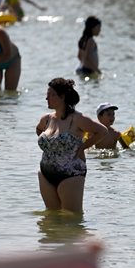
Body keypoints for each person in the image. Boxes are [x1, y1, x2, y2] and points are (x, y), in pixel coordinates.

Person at [35, 78, 108, 213]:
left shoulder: (77, 119)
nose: (47, 98)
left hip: (71, 174)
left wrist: (82, 148)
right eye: (47, 94)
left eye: (51, 95)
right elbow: (39, 130)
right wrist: (50, 145)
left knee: (72, 218)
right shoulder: (46, 119)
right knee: (51, 217)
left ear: (62, 97)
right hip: (46, 173)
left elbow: (102, 131)